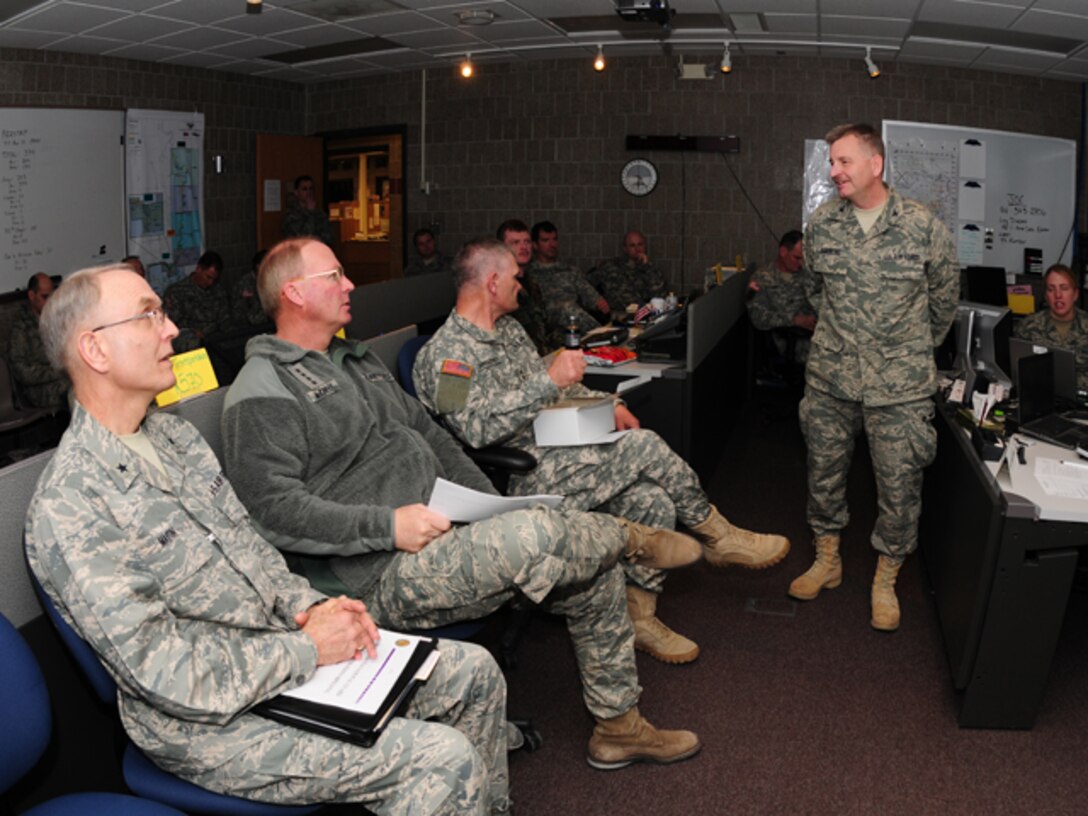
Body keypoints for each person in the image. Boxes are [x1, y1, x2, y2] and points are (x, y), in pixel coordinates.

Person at [26, 262, 511, 814]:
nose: (171, 330)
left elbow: (253, 552)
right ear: (94, 350)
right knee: (440, 760)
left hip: (282, 655)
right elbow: (164, 673)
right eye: (148, 317)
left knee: (474, 673)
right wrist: (306, 649)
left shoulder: (173, 436)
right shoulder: (71, 502)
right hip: (210, 724)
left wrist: (317, 610)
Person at [220, 236, 702, 770]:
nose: (349, 284)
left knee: (590, 567)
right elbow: (272, 509)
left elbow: (435, 435)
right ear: (294, 292)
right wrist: (387, 526)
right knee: (546, 535)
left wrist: (487, 504)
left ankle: (619, 728)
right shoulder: (261, 389)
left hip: (444, 531)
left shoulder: (356, 363)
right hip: (379, 572)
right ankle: (634, 539)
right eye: (334, 276)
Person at [413, 239, 791, 664]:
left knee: (654, 503)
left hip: (559, 448)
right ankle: (717, 534)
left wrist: (608, 403)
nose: (524, 284)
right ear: (493, 281)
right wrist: (548, 382)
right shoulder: (446, 356)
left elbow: (557, 386)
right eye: (518, 277)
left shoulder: (508, 331)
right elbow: (475, 431)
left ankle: (640, 619)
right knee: (643, 446)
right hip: (518, 475)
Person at [789, 123, 958, 632]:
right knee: (823, 473)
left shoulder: (922, 226)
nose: (833, 171)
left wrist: (901, 349)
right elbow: (815, 292)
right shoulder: (821, 225)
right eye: (831, 163)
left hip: (900, 387)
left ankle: (885, 578)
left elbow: (944, 301)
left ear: (874, 164)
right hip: (831, 379)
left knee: (900, 486)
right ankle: (828, 559)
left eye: (842, 162)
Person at [526, 221, 608, 344]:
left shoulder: (570, 270)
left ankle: (604, 338)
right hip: (546, 327)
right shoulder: (528, 273)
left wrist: (600, 303)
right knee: (566, 308)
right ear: (535, 245)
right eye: (545, 240)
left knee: (570, 310)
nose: (552, 244)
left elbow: (596, 300)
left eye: (554, 239)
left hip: (573, 327)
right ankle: (605, 338)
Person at [1013, 263, 1088, 392]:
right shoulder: (1028, 327)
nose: (1058, 295)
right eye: (1051, 289)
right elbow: (1016, 371)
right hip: (1040, 400)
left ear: (1075, 294)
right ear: (1046, 296)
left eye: (1064, 288)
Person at [746, 230, 817, 363]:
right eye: (797, 258)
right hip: (790, 342)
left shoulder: (806, 275)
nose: (801, 263)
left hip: (814, 336)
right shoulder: (762, 278)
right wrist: (794, 320)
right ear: (783, 252)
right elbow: (758, 318)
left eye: (803, 259)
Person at [7, 272, 69, 411]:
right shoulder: (21, 327)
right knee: (76, 392)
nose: (50, 302)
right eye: (45, 297)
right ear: (31, 296)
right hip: (40, 388)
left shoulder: (58, 320)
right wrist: (56, 373)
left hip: (64, 378)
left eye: (52, 296)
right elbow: (21, 371)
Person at [497, 219, 550, 355]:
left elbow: (542, 328)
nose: (523, 247)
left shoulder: (532, 284)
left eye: (526, 242)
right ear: (501, 248)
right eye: (515, 242)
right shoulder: (499, 287)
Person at [163, 250, 232, 353]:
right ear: (198, 269)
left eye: (214, 279)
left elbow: (225, 321)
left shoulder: (219, 291)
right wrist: (191, 332)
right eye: (208, 277)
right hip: (191, 345)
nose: (210, 282)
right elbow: (170, 325)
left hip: (216, 343)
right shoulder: (177, 292)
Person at [587, 231, 668, 315]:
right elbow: (586, 284)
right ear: (625, 249)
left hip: (643, 314)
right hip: (616, 315)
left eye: (640, 244)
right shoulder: (611, 266)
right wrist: (597, 302)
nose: (637, 249)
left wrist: (647, 268)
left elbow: (660, 296)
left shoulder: (651, 269)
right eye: (632, 245)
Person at [282, 175, 334, 246]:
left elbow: (329, 237)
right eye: (304, 189)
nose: (309, 192)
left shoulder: (320, 214)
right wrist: (310, 213)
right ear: (296, 192)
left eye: (311, 189)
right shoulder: (290, 215)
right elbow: (303, 237)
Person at [232, 248, 272, 329]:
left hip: (269, 327)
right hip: (250, 330)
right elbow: (239, 314)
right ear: (258, 266)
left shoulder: (271, 281)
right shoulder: (244, 284)